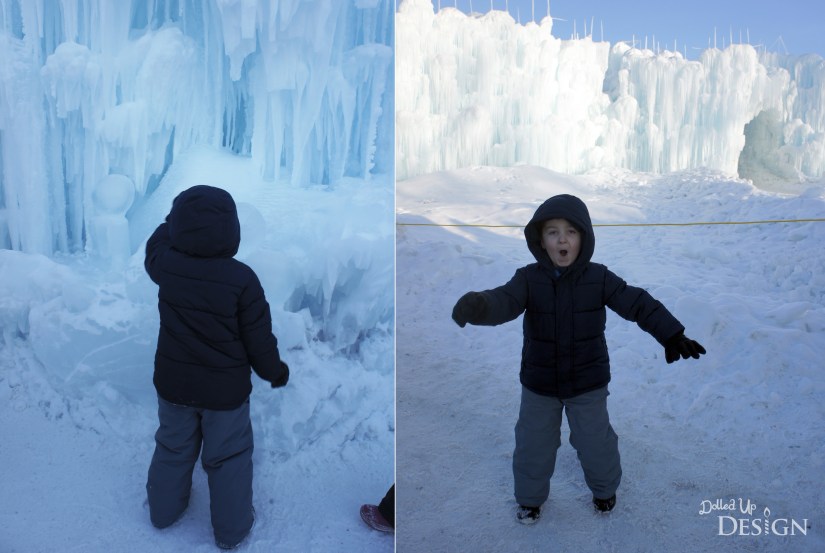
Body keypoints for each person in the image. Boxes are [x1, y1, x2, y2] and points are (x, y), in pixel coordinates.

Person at [451, 194, 705, 525]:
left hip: (588, 383)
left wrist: (671, 334)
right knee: (532, 444)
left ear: (583, 238)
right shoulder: (528, 279)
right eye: (553, 232)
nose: (562, 239)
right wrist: (480, 305)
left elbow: (637, 303)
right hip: (540, 385)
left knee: (595, 442)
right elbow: (505, 301)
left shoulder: (598, 278)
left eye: (571, 231)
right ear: (540, 241)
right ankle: (529, 500)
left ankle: (604, 490)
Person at [144, 185, 289, 549]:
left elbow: (153, 248)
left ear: (179, 229)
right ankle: (232, 531)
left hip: (173, 385)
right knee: (229, 459)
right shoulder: (242, 280)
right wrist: (274, 371)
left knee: (173, 449)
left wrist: (170, 223)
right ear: (233, 231)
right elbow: (258, 338)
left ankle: (163, 513)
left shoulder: (168, 266)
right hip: (225, 395)